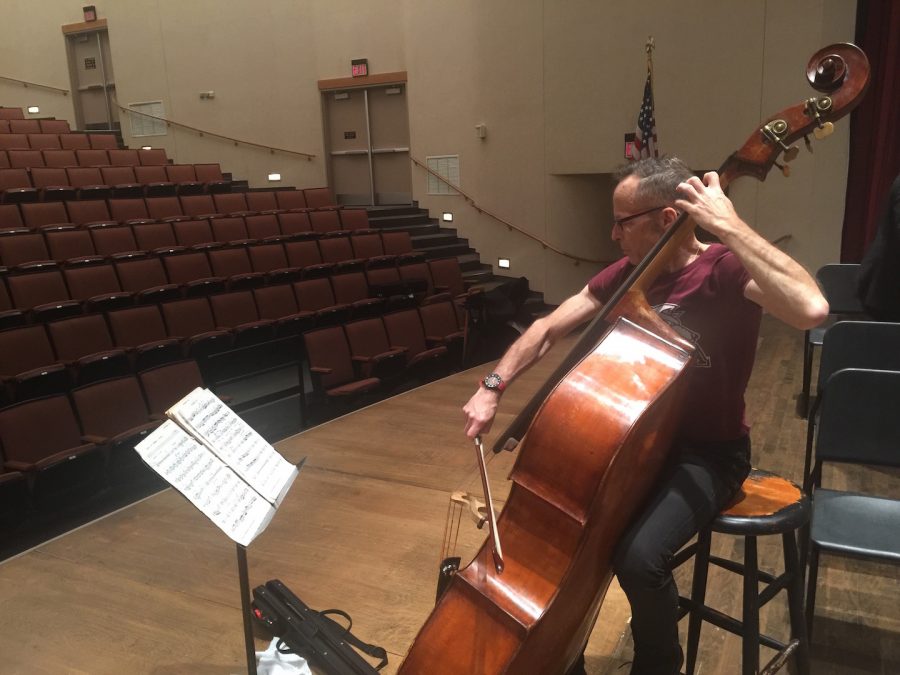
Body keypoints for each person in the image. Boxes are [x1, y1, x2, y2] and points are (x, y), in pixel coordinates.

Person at [462, 157, 828, 675]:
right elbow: (547, 328)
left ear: (666, 216)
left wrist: (729, 223)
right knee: (578, 548)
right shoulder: (632, 274)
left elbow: (811, 308)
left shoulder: (723, 270)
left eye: (622, 221)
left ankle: (659, 665)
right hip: (635, 444)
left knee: (638, 558)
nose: (612, 234)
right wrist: (492, 386)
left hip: (710, 454)